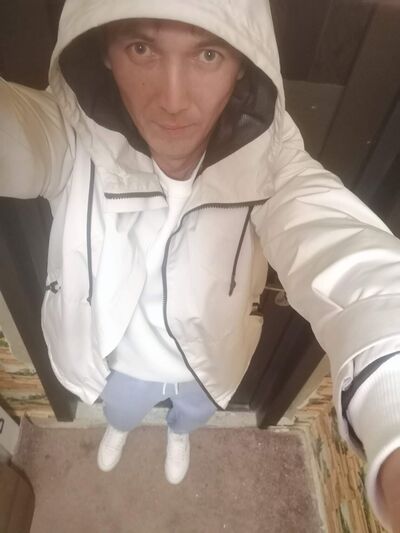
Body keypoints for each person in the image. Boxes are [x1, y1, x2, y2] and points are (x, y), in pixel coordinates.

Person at [1, 0, 400, 529]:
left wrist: (390, 391)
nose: (173, 100)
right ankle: (119, 430)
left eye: (208, 54)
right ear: (104, 52)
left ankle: (178, 437)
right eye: (141, 48)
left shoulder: (273, 162)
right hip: (121, 361)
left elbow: (339, 245)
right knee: (119, 410)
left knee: (190, 417)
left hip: (208, 363)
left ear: (243, 65)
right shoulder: (70, 135)